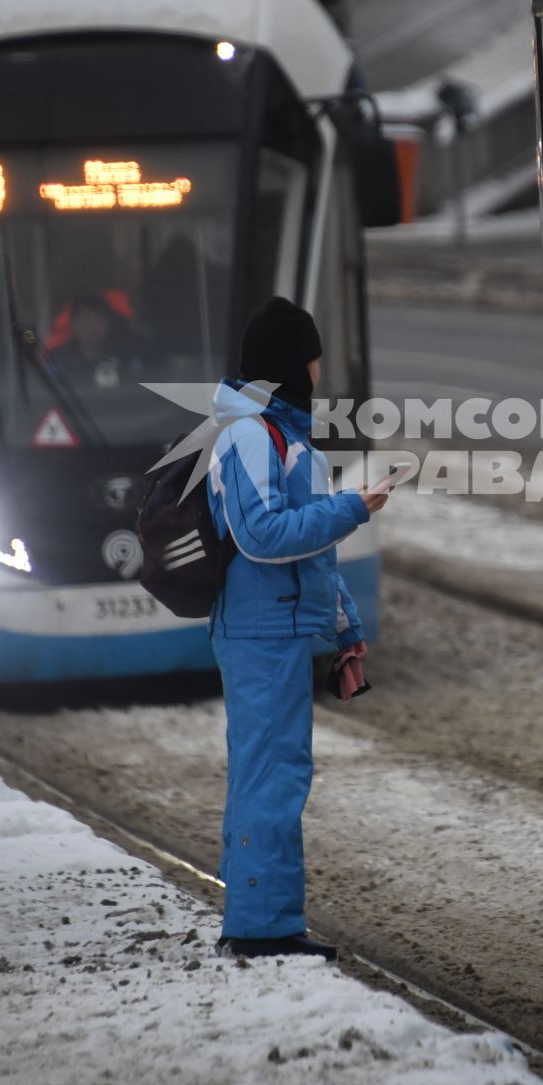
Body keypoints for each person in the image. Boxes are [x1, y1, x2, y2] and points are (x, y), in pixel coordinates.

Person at [206, 295, 393, 960]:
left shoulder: (282, 434)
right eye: (312, 359)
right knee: (271, 777)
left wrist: (345, 629)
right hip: (261, 634)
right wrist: (350, 508)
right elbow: (261, 536)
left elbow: (309, 555)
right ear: (291, 364)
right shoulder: (250, 435)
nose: (319, 373)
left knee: (272, 772)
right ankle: (261, 929)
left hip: (278, 629)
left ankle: (259, 916)